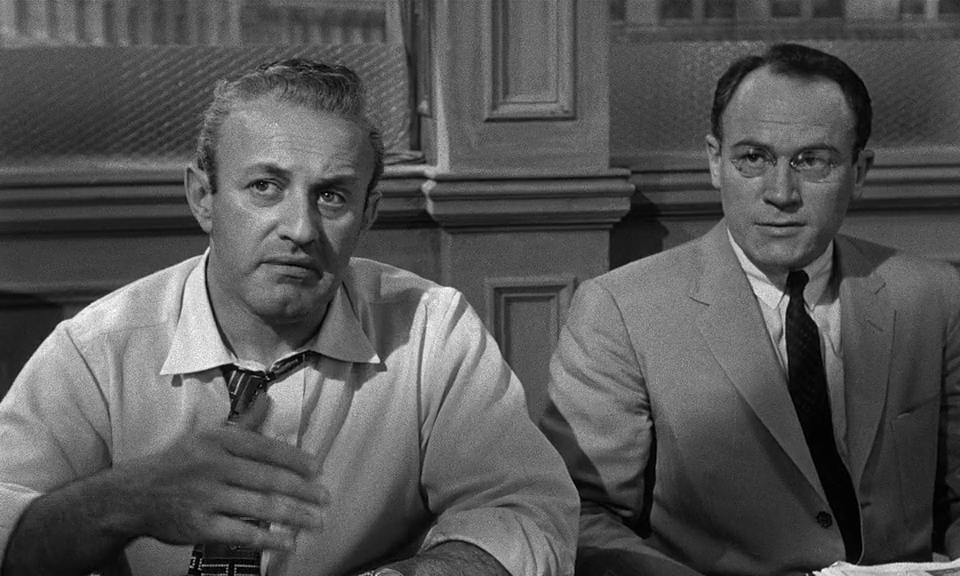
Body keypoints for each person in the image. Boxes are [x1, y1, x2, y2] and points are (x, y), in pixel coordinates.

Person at [0, 59, 578, 576]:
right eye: (265, 186)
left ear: (367, 213)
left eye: (331, 196)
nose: (300, 229)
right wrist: (122, 501)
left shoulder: (431, 332)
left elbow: (527, 516)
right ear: (203, 198)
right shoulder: (99, 348)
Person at [540, 43, 960, 576]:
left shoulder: (933, 295)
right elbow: (579, 515)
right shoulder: (620, 311)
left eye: (812, 160)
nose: (781, 192)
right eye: (754, 159)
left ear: (859, 171)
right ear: (715, 161)